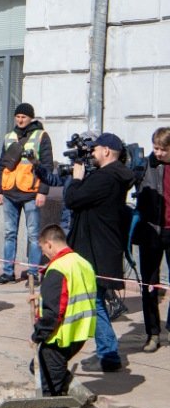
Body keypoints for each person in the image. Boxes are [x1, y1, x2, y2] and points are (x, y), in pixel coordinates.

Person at [64, 132, 135, 372]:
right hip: (100, 247)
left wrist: (76, 178)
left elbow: (72, 200)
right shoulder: (113, 177)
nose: (91, 153)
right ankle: (105, 352)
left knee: (92, 302)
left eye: (95, 150)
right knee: (93, 302)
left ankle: (109, 355)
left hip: (96, 250)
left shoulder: (105, 178)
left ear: (107, 151)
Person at [32, 224, 99, 408]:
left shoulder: (58, 268)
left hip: (59, 334)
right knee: (44, 368)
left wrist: (38, 335)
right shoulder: (83, 263)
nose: (44, 255)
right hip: (79, 332)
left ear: (49, 243)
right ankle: (82, 399)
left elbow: (54, 311)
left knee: (49, 382)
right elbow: (71, 295)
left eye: (44, 250)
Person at [0, 103, 54, 285]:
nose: (20, 119)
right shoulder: (9, 137)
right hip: (10, 191)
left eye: (24, 117)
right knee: (9, 233)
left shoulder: (41, 136)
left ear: (31, 118)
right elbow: (2, 165)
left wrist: (43, 191)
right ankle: (8, 272)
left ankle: (33, 273)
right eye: (17, 116)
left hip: (31, 192)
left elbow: (47, 167)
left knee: (34, 235)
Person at [136, 127, 170, 353]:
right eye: (155, 148)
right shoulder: (147, 165)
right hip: (151, 230)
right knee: (149, 284)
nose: (158, 153)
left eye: (163, 150)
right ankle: (153, 333)